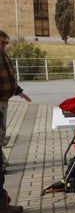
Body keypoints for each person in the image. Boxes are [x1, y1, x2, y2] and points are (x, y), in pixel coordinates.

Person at [0, 31, 32, 167]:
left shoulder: (3, 55)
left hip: (4, 99)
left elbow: (9, 76)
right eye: (1, 43)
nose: (4, 45)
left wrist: (19, 92)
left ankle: (1, 160)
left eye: (5, 43)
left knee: (1, 131)